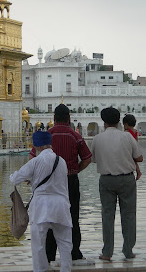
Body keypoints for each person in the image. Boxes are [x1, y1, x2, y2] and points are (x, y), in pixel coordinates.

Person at [29, 104, 92, 262]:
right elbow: (87, 158)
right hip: (70, 182)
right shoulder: (75, 136)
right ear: (69, 118)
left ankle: (49, 255)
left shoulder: (46, 136)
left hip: (48, 184)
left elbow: (32, 159)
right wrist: (75, 169)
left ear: (54, 118)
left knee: (49, 218)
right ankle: (74, 253)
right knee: (72, 217)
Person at [10, 131, 72, 272]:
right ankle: (66, 269)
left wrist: (13, 176)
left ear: (36, 146)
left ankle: (41, 270)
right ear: (50, 144)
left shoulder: (36, 161)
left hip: (41, 205)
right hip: (61, 205)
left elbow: (16, 179)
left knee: (38, 244)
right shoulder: (61, 161)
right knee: (65, 243)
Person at [91, 107, 143, 260]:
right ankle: (128, 251)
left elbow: (94, 159)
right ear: (118, 120)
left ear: (104, 121)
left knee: (107, 216)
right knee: (129, 215)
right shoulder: (127, 137)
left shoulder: (97, 139)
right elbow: (139, 157)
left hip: (106, 180)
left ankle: (107, 252)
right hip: (126, 179)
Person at [123, 114, 142, 180]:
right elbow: (136, 142)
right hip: (134, 149)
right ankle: (138, 172)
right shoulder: (135, 132)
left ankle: (138, 172)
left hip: (128, 149)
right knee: (135, 162)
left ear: (125, 124)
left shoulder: (126, 132)